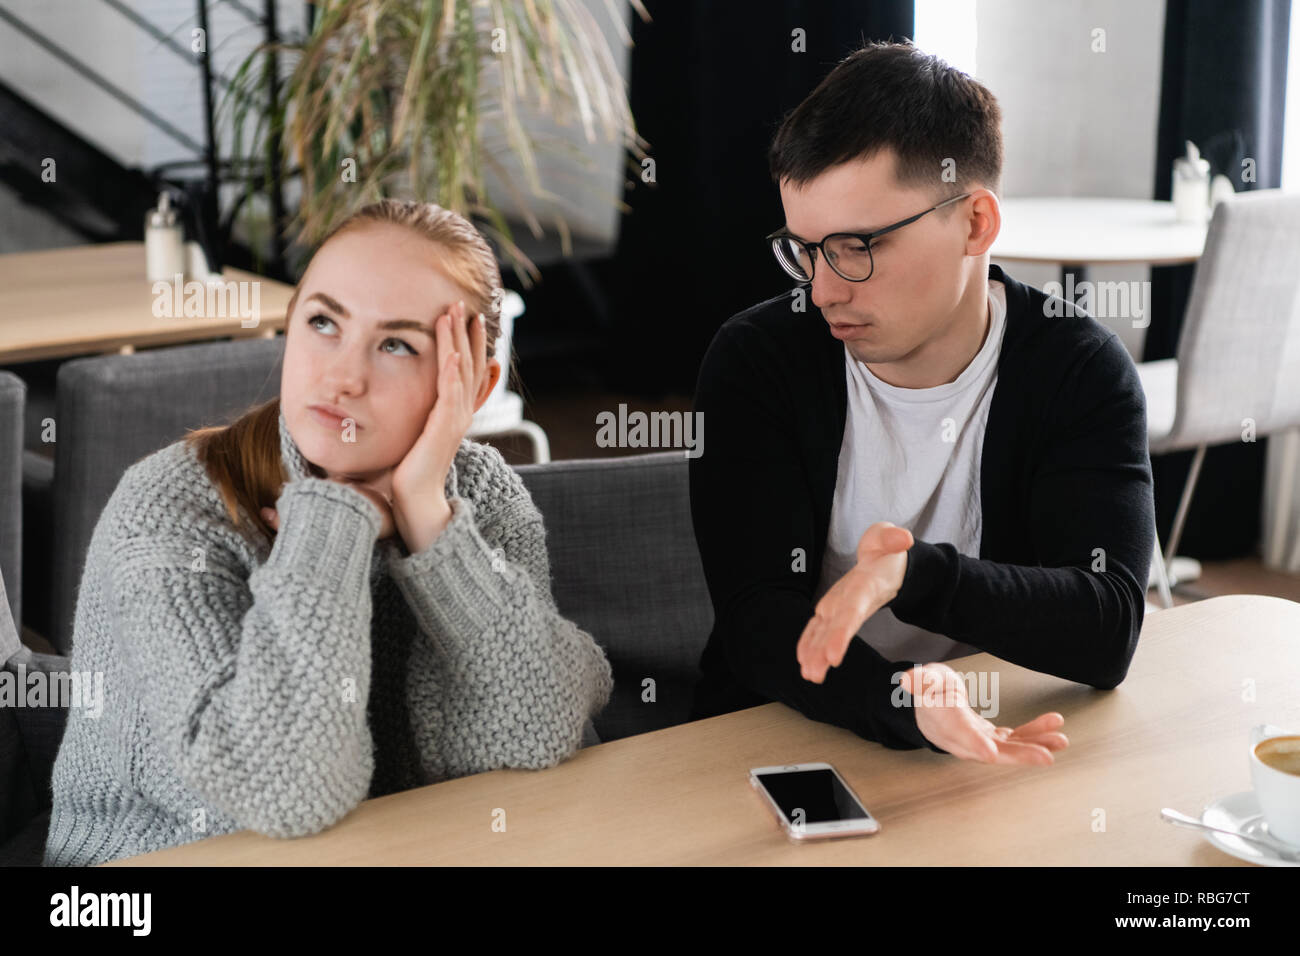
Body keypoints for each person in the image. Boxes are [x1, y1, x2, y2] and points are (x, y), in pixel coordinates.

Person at [44, 199, 613, 866]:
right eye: (323, 322)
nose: (342, 376)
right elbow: (286, 792)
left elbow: (536, 725)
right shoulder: (171, 510)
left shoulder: (477, 492)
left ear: (476, 382)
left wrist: (429, 520)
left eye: (397, 344)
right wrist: (330, 530)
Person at [689, 40, 1156, 763]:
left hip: (1002, 736)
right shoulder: (758, 360)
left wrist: (916, 575)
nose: (823, 291)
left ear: (975, 223)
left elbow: (1107, 628)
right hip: (786, 734)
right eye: (806, 249)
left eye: (854, 246)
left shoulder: (1079, 370)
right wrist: (906, 705)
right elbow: (758, 624)